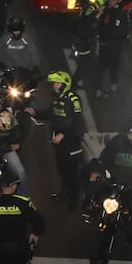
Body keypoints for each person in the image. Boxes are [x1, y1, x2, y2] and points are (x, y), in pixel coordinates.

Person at [25, 71, 85, 208]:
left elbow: (76, 121)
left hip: (71, 142)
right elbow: (50, 113)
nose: (54, 86)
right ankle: (65, 191)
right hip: (59, 142)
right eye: (54, 83)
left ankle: (75, 198)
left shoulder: (73, 99)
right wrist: (36, 113)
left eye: (57, 83)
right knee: (62, 167)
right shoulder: (57, 99)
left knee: (72, 171)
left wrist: (63, 134)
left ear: (65, 85)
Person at [84, 116, 132, 218]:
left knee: (130, 208)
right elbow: (105, 157)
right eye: (130, 134)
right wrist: (97, 171)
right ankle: (89, 208)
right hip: (114, 180)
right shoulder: (117, 142)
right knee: (96, 192)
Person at [97, 0, 131, 94]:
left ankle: (114, 86)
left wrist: (122, 37)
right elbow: (101, 26)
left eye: (112, 0)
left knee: (114, 66)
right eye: (109, 0)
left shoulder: (121, 12)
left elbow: (125, 28)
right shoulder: (106, 12)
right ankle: (98, 89)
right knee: (101, 67)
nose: (110, 2)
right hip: (105, 44)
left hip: (116, 45)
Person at [71, 0, 104, 96]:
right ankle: (95, 89)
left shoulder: (95, 8)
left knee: (85, 65)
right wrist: (97, 17)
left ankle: (74, 84)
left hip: (86, 41)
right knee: (90, 64)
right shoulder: (92, 9)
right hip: (84, 42)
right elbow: (85, 24)